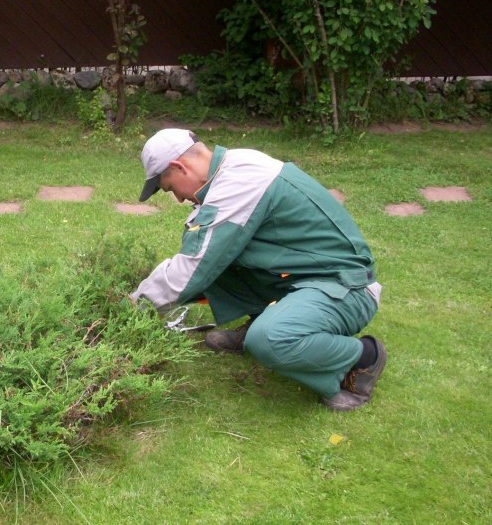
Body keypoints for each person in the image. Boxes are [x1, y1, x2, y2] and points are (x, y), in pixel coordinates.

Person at [129, 129, 386, 411]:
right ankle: (262, 320)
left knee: (269, 340)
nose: (177, 199)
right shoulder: (231, 167)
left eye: (170, 188)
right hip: (303, 276)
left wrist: (132, 309)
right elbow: (202, 254)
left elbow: (193, 266)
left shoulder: (240, 181)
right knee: (220, 258)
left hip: (345, 287)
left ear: (180, 167)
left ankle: (361, 359)